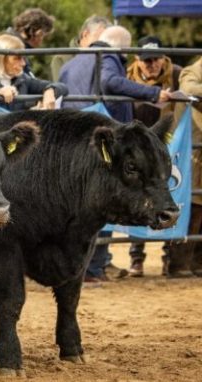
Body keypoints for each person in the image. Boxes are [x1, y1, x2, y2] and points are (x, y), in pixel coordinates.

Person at [60, 25, 171, 283]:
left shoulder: (72, 61)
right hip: (102, 141)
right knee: (105, 200)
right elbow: (109, 82)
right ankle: (95, 266)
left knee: (75, 207)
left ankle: (79, 265)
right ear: (121, 47)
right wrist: (154, 92)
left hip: (71, 143)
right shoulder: (108, 57)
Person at [125, 36, 182, 277]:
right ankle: (136, 257)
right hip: (139, 148)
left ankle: (170, 256)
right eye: (146, 60)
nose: (152, 64)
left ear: (164, 58)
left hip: (169, 143)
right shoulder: (129, 79)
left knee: (170, 195)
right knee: (138, 198)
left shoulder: (176, 74)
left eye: (156, 59)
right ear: (137, 60)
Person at [0, 33, 67, 111]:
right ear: (0, 59)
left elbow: (63, 87)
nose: (23, 63)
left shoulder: (23, 79)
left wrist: (50, 91)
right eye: (17, 58)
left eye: (23, 58)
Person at [172, 57, 202, 277]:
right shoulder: (193, 71)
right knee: (194, 203)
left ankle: (197, 261)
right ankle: (179, 262)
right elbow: (189, 88)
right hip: (195, 148)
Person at [50, 15, 110, 82]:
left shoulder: (106, 58)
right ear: (85, 34)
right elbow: (62, 89)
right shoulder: (61, 59)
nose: (103, 44)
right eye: (100, 39)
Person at [8, 8, 55, 76]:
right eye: (43, 36)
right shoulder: (11, 47)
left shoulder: (15, 45)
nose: (41, 42)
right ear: (39, 33)